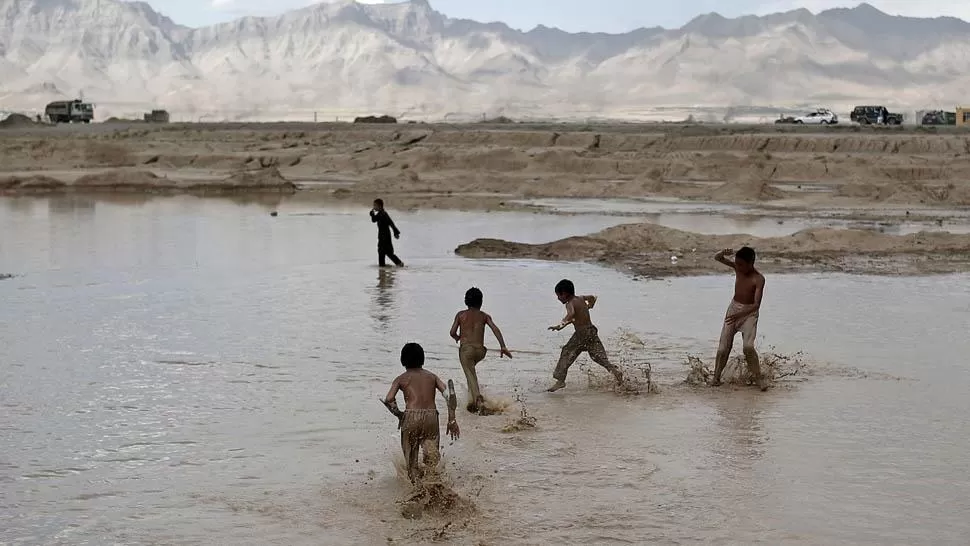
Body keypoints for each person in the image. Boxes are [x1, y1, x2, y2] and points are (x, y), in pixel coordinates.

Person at [382, 342, 460, 483]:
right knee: (432, 460)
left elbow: (389, 399)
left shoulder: (401, 379)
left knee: (412, 463)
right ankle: (433, 485)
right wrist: (451, 419)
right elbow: (447, 395)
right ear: (422, 359)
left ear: (402, 360)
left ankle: (417, 492)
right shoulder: (432, 376)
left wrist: (399, 415)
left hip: (411, 416)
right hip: (431, 416)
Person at [546, 279, 623, 392]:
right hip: (591, 331)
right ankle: (615, 372)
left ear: (565, 293)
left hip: (581, 334)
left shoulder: (569, 303)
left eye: (559, 295)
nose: (558, 298)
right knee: (598, 357)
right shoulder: (581, 298)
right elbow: (593, 297)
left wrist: (560, 324)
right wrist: (590, 305)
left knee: (566, 351)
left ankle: (560, 380)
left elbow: (571, 314)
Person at [449, 287, 513, 413]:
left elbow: (452, 332)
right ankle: (471, 401)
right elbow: (495, 329)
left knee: (469, 372)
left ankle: (478, 400)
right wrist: (503, 346)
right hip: (480, 351)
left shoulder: (461, 315)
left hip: (466, 350)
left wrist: (457, 337)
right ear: (481, 302)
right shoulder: (484, 316)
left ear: (466, 301)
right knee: (470, 372)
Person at [712, 247, 768, 391]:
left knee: (748, 347)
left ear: (751, 263)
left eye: (742, 264)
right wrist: (722, 253)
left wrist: (740, 315)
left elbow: (756, 305)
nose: (739, 267)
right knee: (723, 348)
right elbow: (717, 258)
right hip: (734, 308)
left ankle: (758, 378)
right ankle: (715, 378)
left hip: (749, 313)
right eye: (737, 264)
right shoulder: (738, 268)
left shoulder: (759, 279)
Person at [370, 198, 404, 267]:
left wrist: (396, 232)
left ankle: (399, 264)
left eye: (375, 206)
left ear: (379, 206)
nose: (374, 207)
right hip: (382, 236)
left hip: (385, 236)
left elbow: (391, 223)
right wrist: (372, 215)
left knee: (387, 252)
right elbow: (374, 220)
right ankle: (382, 268)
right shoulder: (380, 213)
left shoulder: (383, 214)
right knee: (382, 252)